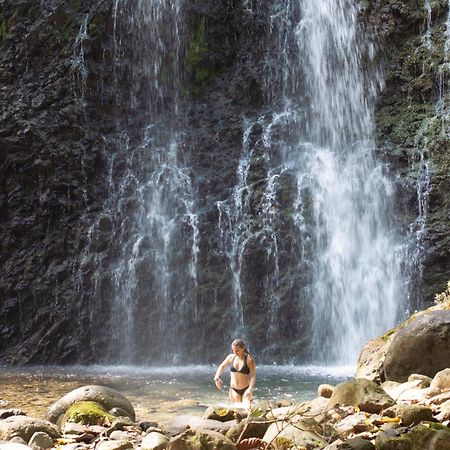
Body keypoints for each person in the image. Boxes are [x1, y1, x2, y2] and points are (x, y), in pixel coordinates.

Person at [213, 338, 256, 405]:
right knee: (237, 410)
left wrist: (250, 389)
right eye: (233, 350)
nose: (235, 352)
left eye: (237, 350)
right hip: (234, 390)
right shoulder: (231, 357)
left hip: (246, 389)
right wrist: (216, 378)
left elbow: (253, 376)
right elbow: (222, 366)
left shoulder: (249, 360)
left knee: (246, 408)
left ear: (243, 348)